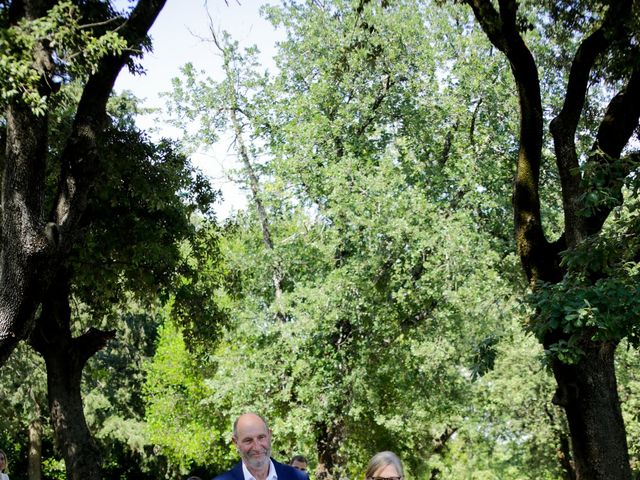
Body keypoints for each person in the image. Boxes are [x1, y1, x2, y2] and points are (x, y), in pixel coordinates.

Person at [213, 413, 308, 480]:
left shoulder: (299, 478)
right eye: (248, 440)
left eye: (261, 437)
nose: (257, 447)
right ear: (235, 442)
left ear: (269, 435)